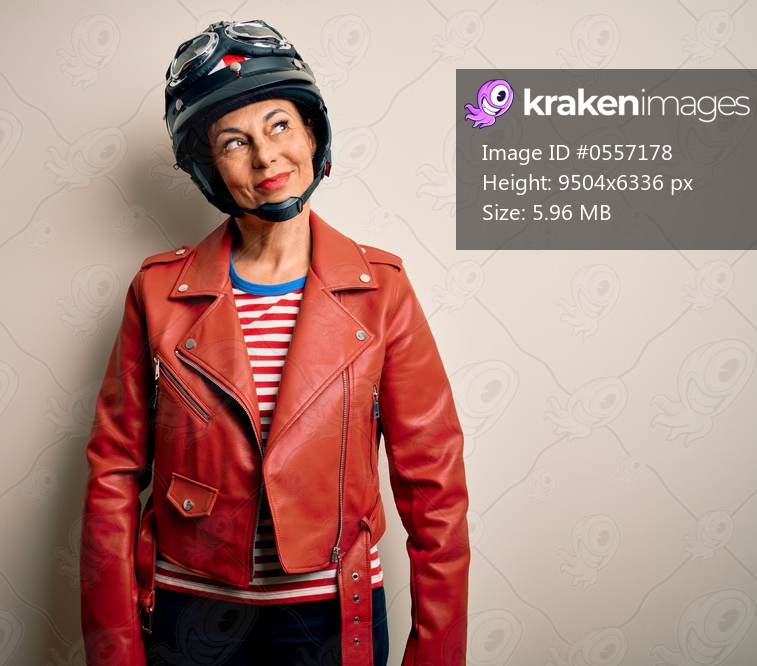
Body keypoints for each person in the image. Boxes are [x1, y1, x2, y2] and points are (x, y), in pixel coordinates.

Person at [81, 19, 469, 666]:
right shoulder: (154, 292)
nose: (265, 158)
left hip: (328, 615)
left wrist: (438, 655)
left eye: (280, 125)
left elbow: (436, 490)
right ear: (208, 166)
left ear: (313, 134)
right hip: (188, 615)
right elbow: (112, 480)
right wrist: (115, 649)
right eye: (234, 141)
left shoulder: (383, 289)